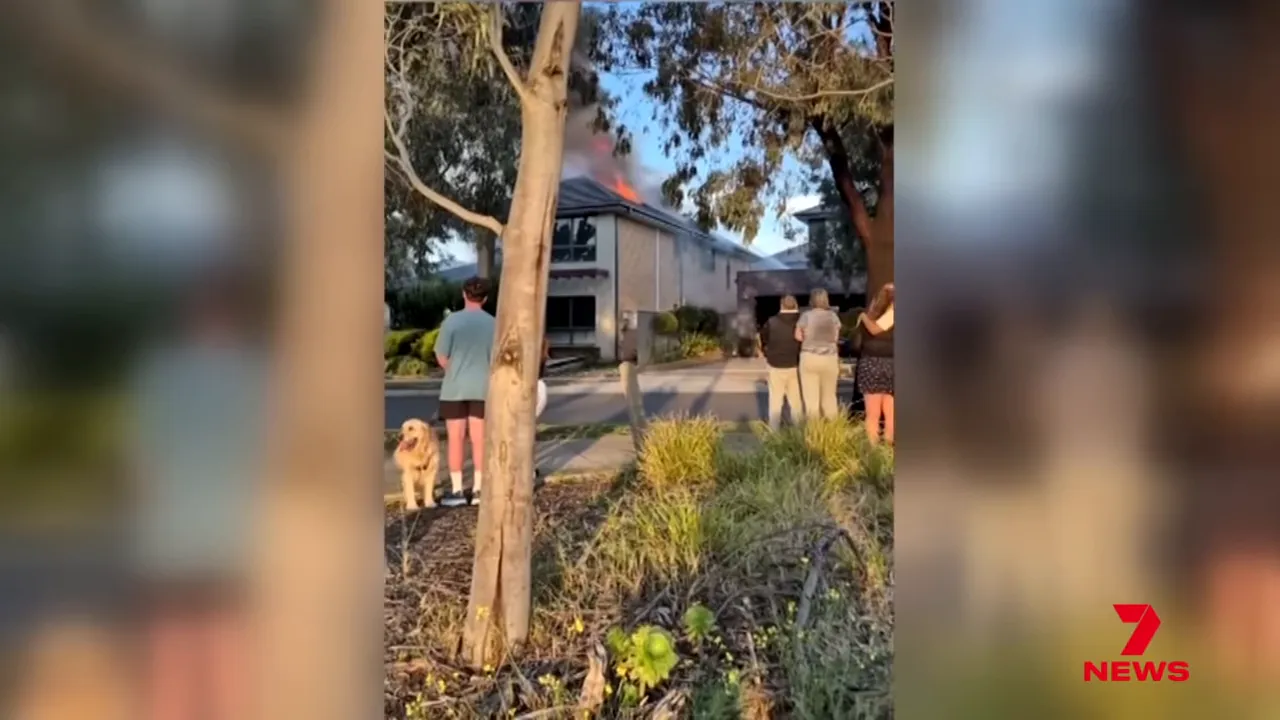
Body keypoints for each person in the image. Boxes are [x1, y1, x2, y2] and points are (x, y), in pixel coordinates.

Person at [130, 273, 266, 720]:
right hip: (228, 535)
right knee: (226, 647)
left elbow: (144, 462)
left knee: (173, 647)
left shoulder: (162, 376)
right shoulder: (252, 379)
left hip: (173, 535)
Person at [434, 276, 496, 506]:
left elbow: (441, 356)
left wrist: (455, 370)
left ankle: (458, 490)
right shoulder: (494, 323)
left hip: (455, 388)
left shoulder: (451, 322)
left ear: (463, 294)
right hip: (483, 388)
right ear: (485, 298)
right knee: (480, 439)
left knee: (456, 438)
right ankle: (479, 489)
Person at [795, 288, 844, 420]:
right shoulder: (833, 316)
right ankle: (833, 427)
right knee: (829, 397)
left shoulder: (806, 316)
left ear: (811, 300)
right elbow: (835, 338)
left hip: (809, 357)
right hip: (829, 358)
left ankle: (814, 428)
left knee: (811, 400)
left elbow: (798, 336)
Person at [856, 283, 895, 445]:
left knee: (873, 413)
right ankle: (888, 444)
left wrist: (863, 317)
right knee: (890, 412)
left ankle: (873, 448)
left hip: (872, 364)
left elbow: (874, 330)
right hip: (891, 365)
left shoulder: (870, 317)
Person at [760, 294, 804, 429]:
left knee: (775, 401)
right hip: (795, 364)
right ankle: (798, 430)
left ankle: (774, 431)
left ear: (781, 305)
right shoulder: (802, 321)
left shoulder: (771, 322)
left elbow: (764, 339)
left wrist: (766, 353)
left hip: (775, 364)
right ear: (796, 305)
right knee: (796, 402)